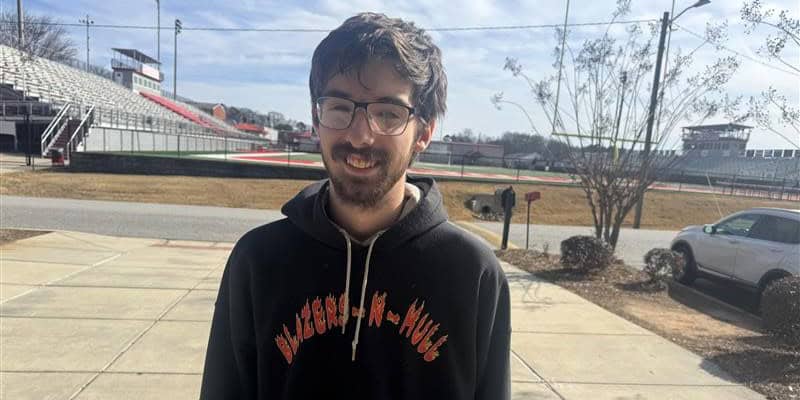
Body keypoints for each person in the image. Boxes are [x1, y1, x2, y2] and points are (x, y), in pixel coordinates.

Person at [200, 12, 510, 400]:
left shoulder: (473, 272)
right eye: (339, 107)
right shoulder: (257, 260)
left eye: (388, 113)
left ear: (424, 132)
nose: (361, 135)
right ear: (317, 119)